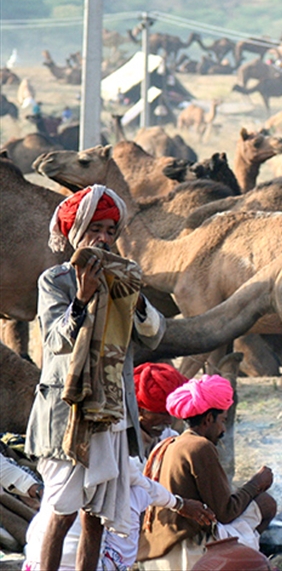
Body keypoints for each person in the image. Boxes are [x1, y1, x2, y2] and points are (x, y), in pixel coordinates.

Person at [25, 185, 166, 571]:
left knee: (97, 517)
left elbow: (155, 333)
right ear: (77, 234)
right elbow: (55, 341)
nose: (103, 238)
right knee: (63, 510)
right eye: (94, 229)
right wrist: (82, 300)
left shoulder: (121, 279)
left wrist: (134, 298)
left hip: (111, 412)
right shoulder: (56, 281)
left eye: (109, 230)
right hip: (68, 413)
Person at [23, 360, 212, 571]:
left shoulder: (161, 435)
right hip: (68, 552)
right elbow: (135, 478)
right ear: (138, 409)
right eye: (160, 413)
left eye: (171, 414)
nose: (168, 420)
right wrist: (179, 504)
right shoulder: (108, 436)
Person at [138, 375, 276, 570]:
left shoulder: (167, 444)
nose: (223, 429)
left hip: (151, 554)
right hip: (188, 553)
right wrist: (256, 484)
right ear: (209, 418)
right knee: (266, 503)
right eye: (223, 421)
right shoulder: (200, 447)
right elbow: (225, 513)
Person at [132, 363, 188, 457]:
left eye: (170, 414)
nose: (169, 421)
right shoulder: (118, 442)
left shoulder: (170, 438)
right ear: (140, 410)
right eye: (162, 414)